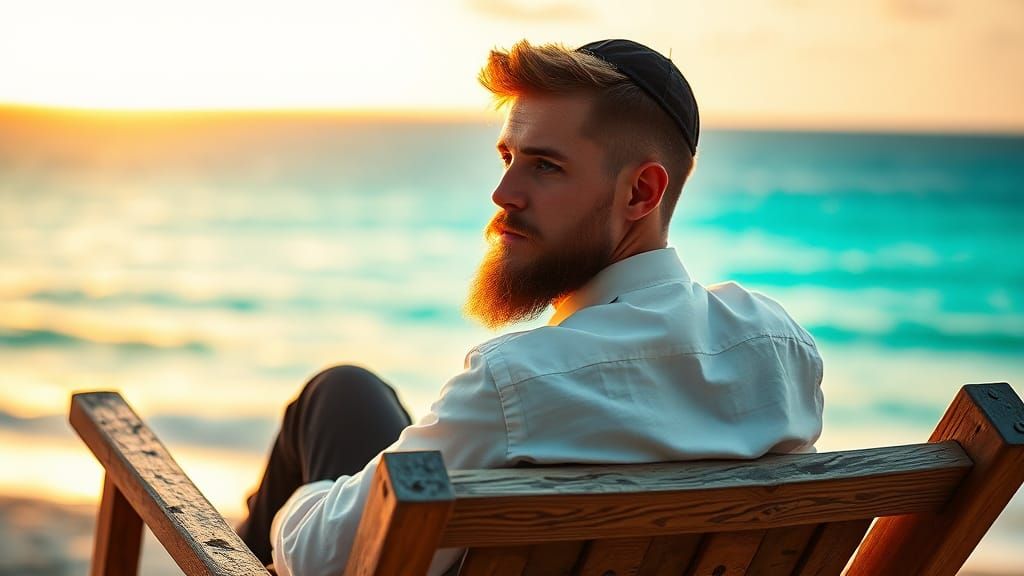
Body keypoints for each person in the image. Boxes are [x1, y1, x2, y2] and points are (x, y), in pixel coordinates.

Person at [236, 39, 824, 576]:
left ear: (641, 192)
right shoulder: (781, 350)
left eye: (545, 166)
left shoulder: (516, 387)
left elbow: (323, 561)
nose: (503, 194)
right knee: (347, 392)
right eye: (507, 157)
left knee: (331, 410)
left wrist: (301, 503)